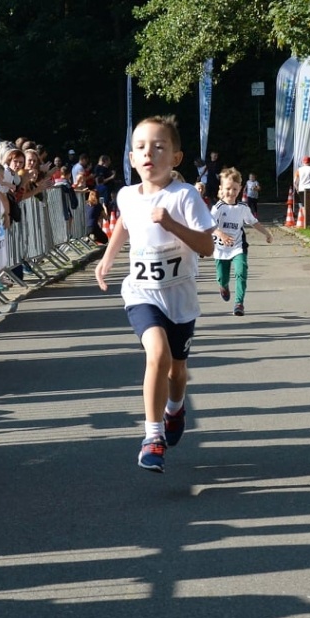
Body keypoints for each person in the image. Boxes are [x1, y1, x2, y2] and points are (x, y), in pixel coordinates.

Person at [94, 115, 215, 473]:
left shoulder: (185, 195)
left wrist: (171, 223)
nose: (150, 154)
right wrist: (107, 259)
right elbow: (124, 226)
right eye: (142, 147)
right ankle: (152, 436)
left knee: (178, 371)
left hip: (179, 298)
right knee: (157, 355)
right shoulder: (127, 195)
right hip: (141, 292)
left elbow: (206, 246)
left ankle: (175, 408)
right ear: (131, 158)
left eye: (159, 147)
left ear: (175, 158)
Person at [210, 167, 272, 317]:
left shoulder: (243, 207)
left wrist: (266, 233)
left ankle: (239, 303)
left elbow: (253, 222)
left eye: (235, 189)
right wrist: (222, 234)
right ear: (221, 189)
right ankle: (223, 286)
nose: (231, 192)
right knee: (222, 277)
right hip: (220, 247)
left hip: (238, 246)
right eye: (228, 189)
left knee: (241, 272)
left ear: (240, 189)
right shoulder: (218, 207)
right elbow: (209, 225)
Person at [295, 156, 310, 225]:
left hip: (301, 189)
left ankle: (305, 220)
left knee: (304, 205)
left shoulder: (299, 170)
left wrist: (297, 188)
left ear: (303, 162)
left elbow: (295, 181)